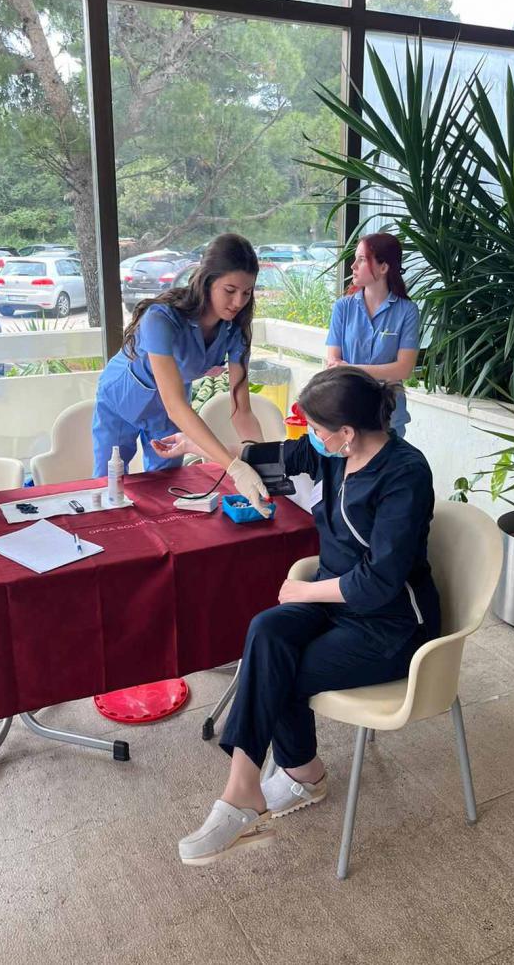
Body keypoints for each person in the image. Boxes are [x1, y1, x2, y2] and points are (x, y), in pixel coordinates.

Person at [157, 366, 441, 866]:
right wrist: (198, 446)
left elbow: (380, 580)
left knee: (279, 672)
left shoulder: (405, 474)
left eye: (314, 427)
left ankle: (293, 777)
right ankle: (253, 786)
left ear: (347, 432)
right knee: (266, 631)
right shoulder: (332, 452)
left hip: (392, 624)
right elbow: (267, 457)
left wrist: (305, 590)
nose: (308, 435)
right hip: (333, 601)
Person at [91, 233, 270, 514]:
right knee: (109, 484)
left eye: (247, 293)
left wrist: (262, 462)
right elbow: (176, 407)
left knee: (166, 486)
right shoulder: (161, 318)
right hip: (123, 397)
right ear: (207, 281)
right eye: (230, 290)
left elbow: (242, 411)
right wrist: (234, 467)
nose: (238, 302)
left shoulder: (234, 331)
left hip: (170, 407)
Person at [326, 232, 419, 437]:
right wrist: (380, 372)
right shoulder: (343, 307)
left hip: (389, 417)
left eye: (361, 259)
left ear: (383, 267)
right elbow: (333, 363)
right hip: (348, 411)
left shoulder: (407, 311)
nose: (353, 266)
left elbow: (403, 369)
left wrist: (351, 368)